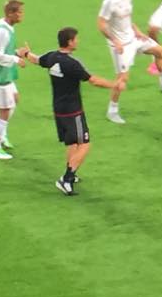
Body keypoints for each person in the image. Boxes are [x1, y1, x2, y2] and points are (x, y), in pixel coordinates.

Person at [20, 27, 120, 195]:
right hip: (73, 111)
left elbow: (36, 60)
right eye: (76, 39)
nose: (77, 41)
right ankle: (66, 179)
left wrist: (25, 53)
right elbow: (93, 81)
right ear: (70, 42)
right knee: (85, 144)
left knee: (72, 143)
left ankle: (71, 174)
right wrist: (114, 85)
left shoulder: (52, 57)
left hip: (58, 109)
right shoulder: (72, 64)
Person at [97, 0, 162, 124]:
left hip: (133, 38)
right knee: (122, 79)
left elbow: (128, 18)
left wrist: (137, 31)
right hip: (121, 46)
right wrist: (115, 41)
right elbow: (101, 25)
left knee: (160, 51)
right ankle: (112, 111)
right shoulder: (109, 2)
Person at [0, 0, 29, 160]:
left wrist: (17, 52)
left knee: (14, 99)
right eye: (19, 12)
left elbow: (3, 50)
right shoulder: (2, 32)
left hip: (4, 75)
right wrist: (15, 59)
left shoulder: (7, 26)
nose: (22, 15)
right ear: (10, 14)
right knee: (4, 110)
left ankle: (2, 134)